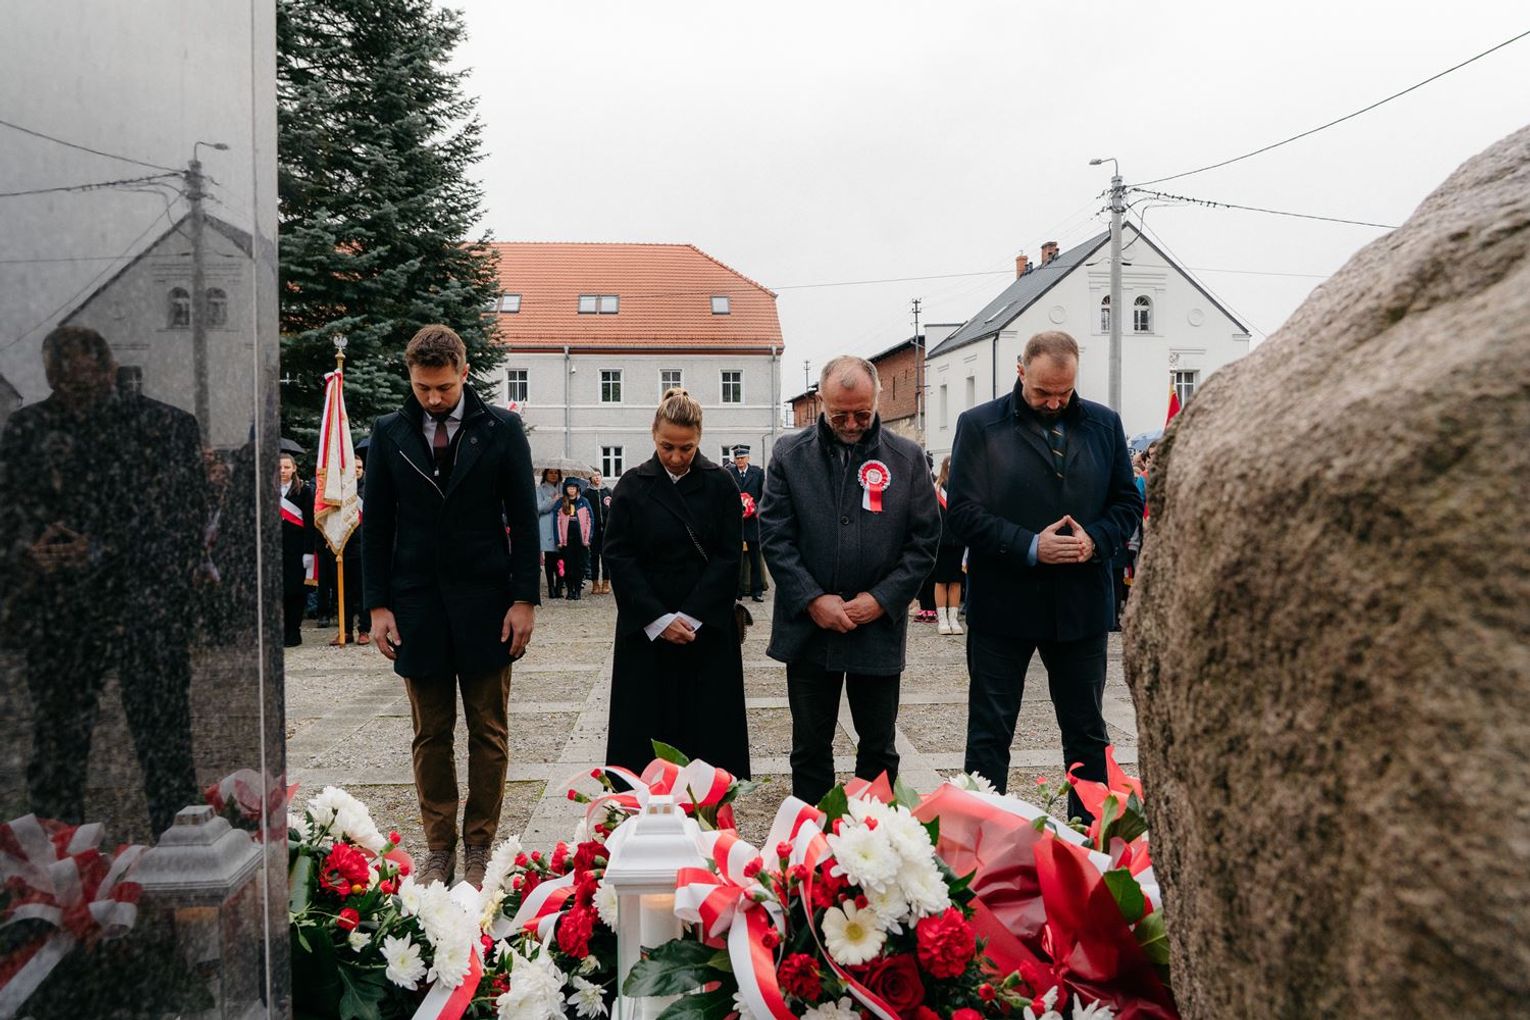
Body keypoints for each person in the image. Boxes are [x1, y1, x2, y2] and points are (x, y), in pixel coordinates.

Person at [0, 325, 202, 837]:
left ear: (109, 370)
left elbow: (181, 524)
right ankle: (55, 861)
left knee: (164, 746)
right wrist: (30, 548)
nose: (71, 391)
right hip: (60, 614)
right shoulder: (27, 430)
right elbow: (9, 512)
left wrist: (100, 548)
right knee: (57, 751)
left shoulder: (165, 427)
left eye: (82, 380)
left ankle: (180, 852)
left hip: (143, 608)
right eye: (60, 380)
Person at [362, 324, 540, 888]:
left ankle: (479, 844)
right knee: (430, 734)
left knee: (488, 731)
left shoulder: (502, 429)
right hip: (416, 605)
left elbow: (524, 518)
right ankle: (439, 847)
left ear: (464, 372)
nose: (434, 399)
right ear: (410, 378)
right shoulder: (388, 432)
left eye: (443, 387)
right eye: (422, 388)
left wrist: (525, 599)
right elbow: (376, 524)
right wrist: (377, 606)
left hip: (488, 603)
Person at [948, 331, 1143, 821]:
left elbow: (1127, 502)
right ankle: (984, 839)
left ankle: (1090, 840)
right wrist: (1031, 545)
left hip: (1080, 605)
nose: (1054, 402)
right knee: (990, 734)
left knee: (1087, 733)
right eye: (1042, 392)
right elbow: (964, 513)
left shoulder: (1104, 424)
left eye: (1064, 392)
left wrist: (1095, 539)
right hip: (1003, 605)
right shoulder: (980, 425)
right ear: (1020, 371)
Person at [759, 356, 940, 804]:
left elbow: (924, 542)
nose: (853, 424)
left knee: (879, 748)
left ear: (877, 399)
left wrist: (882, 599)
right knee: (809, 748)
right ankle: (810, 839)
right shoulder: (789, 455)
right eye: (840, 415)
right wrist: (812, 598)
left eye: (862, 413)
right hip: (808, 629)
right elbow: (775, 535)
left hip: (876, 628)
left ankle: (873, 837)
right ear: (820, 401)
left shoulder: (907, 458)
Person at [602, 388, 750, 777]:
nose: (676, 457)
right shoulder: (632, 485)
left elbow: (729, 557)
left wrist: (691, 616)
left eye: (687, 448)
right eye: (667, 447)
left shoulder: (721, 484)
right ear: (654, 435)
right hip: (647, 630)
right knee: (645, 740)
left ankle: (709, 811)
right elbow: (618, 556)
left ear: (699, 439)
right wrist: (659, 619)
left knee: (708, 740)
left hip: (706, 629)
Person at [279, 451, 315, 647]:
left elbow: (310, 523)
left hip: (297, 550)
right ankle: (282, 631)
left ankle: (294, 631)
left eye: (286, 467)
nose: (282, 471)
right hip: (275, 550)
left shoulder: (304, 491)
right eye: (279, 467)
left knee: (295, 592)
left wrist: (309, 551)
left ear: (294, 469)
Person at [931, 456, 966, 635]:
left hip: (959, 541)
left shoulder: (963, 488)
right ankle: (942, 618)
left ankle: (953, 618)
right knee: (941, 580)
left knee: (956, 580)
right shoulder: (936, 488)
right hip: (940, 542)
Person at [729, 444, 766, 603]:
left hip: (752, 523)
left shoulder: (757, 473)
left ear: (748, 458)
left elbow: (764, 496)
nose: (739, 461)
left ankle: (757, 591)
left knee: (754, 559)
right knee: (735, 559)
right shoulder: (729, 473)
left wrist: (754, 508)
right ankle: (736, 591)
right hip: (736, 523)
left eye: (742, 458)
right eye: (737, 458)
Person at [555, 476, 592, 600]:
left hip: (580, 539)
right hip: (566, 540)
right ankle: (570, 590)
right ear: (566, 489)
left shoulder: (584, 502)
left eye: (574, 488)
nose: (571, 490)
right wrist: (559, 539)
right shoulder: (561, 502)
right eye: (569, 487)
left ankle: (577, 590)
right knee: (568, 566)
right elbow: (556, 521)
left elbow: (590, 520)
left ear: (577, 489)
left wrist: (587, 538)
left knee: (579, 566)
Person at [536, 468, 564, 599]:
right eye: (550, 473)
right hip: (547, 526)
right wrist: (552, 500)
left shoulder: (563, 488)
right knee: (550, 558)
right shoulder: (540, 489)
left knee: (561, 558)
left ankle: (560, 587)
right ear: (545, 474)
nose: (553, 475)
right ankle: (551, 588)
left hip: (561, 524)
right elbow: (538, 508)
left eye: (556, 473)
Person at [585, 471, 612, 594]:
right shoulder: (587, 493)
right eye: (594, 475)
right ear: (590, 478)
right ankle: (595, 583)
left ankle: (606, 582)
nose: (596, 477)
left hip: (607, 530)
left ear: (601, 476)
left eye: (598, 475)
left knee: (606, 557)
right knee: (594, 557)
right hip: (593, 530)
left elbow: (614, 509)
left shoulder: (608, 491)